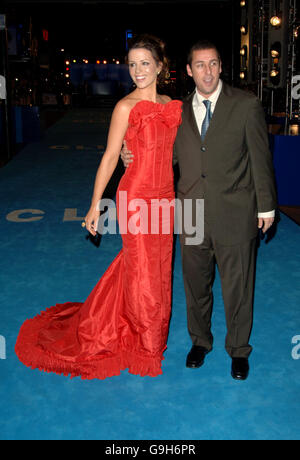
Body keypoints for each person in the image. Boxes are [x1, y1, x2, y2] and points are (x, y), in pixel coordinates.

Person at [15, 35, 182, 380]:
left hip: (166, 197)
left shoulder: (171, 104)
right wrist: (95, 205)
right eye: (132, 64)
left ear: (160, 66)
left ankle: (138, 327)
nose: (138, 71)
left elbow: (178, 152)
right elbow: (109, 156)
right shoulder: (125, 106)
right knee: (142, 270)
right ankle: (144, 344)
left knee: (160, 267)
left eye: (145, 63)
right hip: (135, 195)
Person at [121, 40, 277, 381]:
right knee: (195, 285)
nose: (207, 71)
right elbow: (162, 154)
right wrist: (127, 153)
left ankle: (238, 350)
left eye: (213, 64)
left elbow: (260, 160)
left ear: (221, 67)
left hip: (236, 210)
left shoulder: (246, 105)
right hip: (190, 211)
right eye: (200, 65)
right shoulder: (176, 111)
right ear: (189, 71)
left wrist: (266, 206)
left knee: (238, 287)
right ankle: (200, 342)